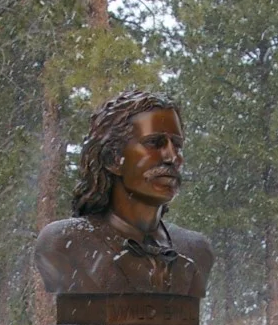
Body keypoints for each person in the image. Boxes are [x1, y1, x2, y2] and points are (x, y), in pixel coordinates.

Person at [34, 89, 214, 298]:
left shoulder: (196, 249)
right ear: (112, 158)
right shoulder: (64, 243)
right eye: (154, 143)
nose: (172, 157)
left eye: (178, 145)